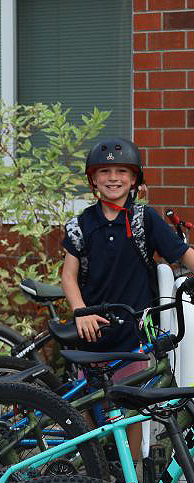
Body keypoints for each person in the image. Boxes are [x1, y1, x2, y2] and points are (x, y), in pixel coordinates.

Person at [61, 137, 194, 464]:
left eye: (122, 170)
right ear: (93, 179)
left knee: (134, 409)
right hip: (93, 332)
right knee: (90, 408)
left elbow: (183, 253)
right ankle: (96, 470)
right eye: (104, 170)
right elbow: (68, 275)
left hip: (134, 333)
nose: (113, 177)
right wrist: (80, 313)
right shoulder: (81, 225)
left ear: (135, 179)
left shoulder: (144, 219)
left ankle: (129, 477)